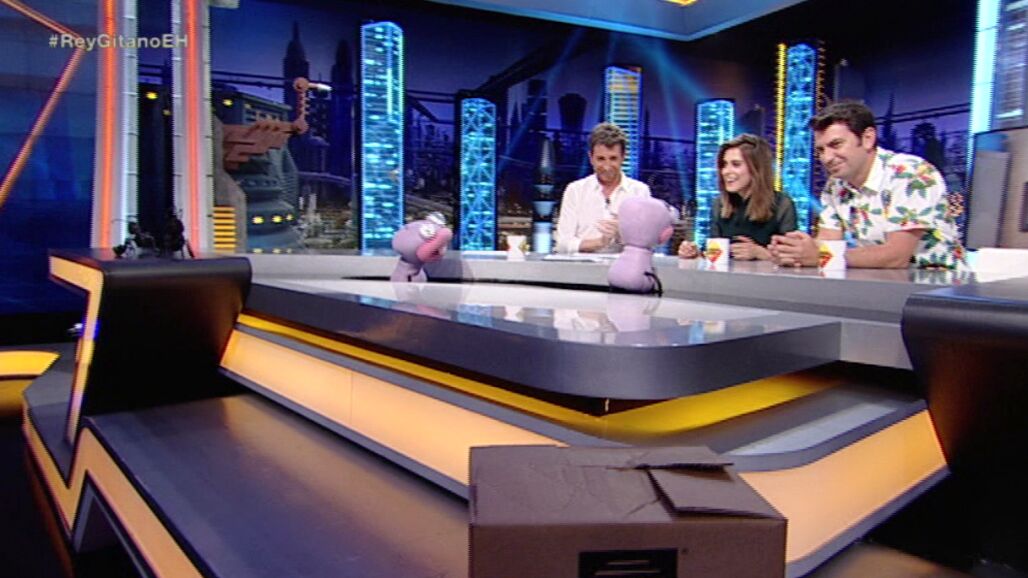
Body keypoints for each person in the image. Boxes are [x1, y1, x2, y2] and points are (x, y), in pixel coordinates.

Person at [770, 101, 965, 269]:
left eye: (836, 145)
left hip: (937, 288)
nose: (826, 158)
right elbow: (828, 242)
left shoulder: (909, 173)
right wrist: (795, 251)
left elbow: (896, 256)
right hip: (877, 285)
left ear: (867, 139)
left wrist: (822, 256)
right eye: (821, 150)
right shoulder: (835, 185)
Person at [678, 134, 797, 260]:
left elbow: (793, 259)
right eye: (724, 165)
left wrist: (761, 253)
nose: (726, 171)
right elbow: (715, 254)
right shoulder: (719, 205)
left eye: (736, 164)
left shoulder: (782, 204)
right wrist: (695, 254)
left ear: (756, 168)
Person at [555, 122, 651, 253]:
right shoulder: (575, 191)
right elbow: (562, 244)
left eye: (613, 158)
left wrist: (622, 235)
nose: (607, 166)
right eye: (601, 159)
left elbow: (646, 244)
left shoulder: (640, 192)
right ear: (591, 158)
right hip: (582, 265)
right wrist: (600, 242)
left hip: (625, 264)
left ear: (623, 157)